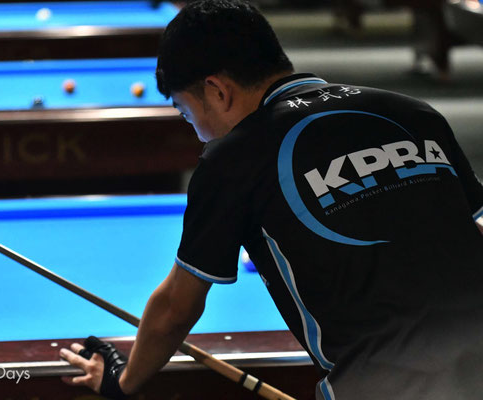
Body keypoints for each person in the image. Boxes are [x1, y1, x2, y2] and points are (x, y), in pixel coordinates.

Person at [59, 1, 483, 399]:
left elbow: (175, 308)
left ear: (217, 90)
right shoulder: (414, 113)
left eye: (188, 115)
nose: (198, 133)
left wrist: (122, 381)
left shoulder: (230, 160)